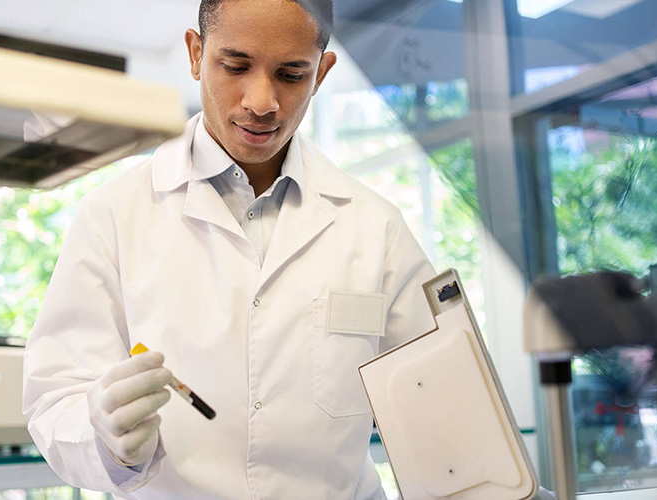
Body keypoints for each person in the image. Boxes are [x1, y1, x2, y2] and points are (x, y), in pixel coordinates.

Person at [22, 0, 437, 498]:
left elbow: (438, 407)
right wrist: (106, 442)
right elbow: (55, 398)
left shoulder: (376, 227)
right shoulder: (113, 214)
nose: (262, 102)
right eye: (236, 66)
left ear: (322, 73)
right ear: (196, 54)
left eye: (291, 73)